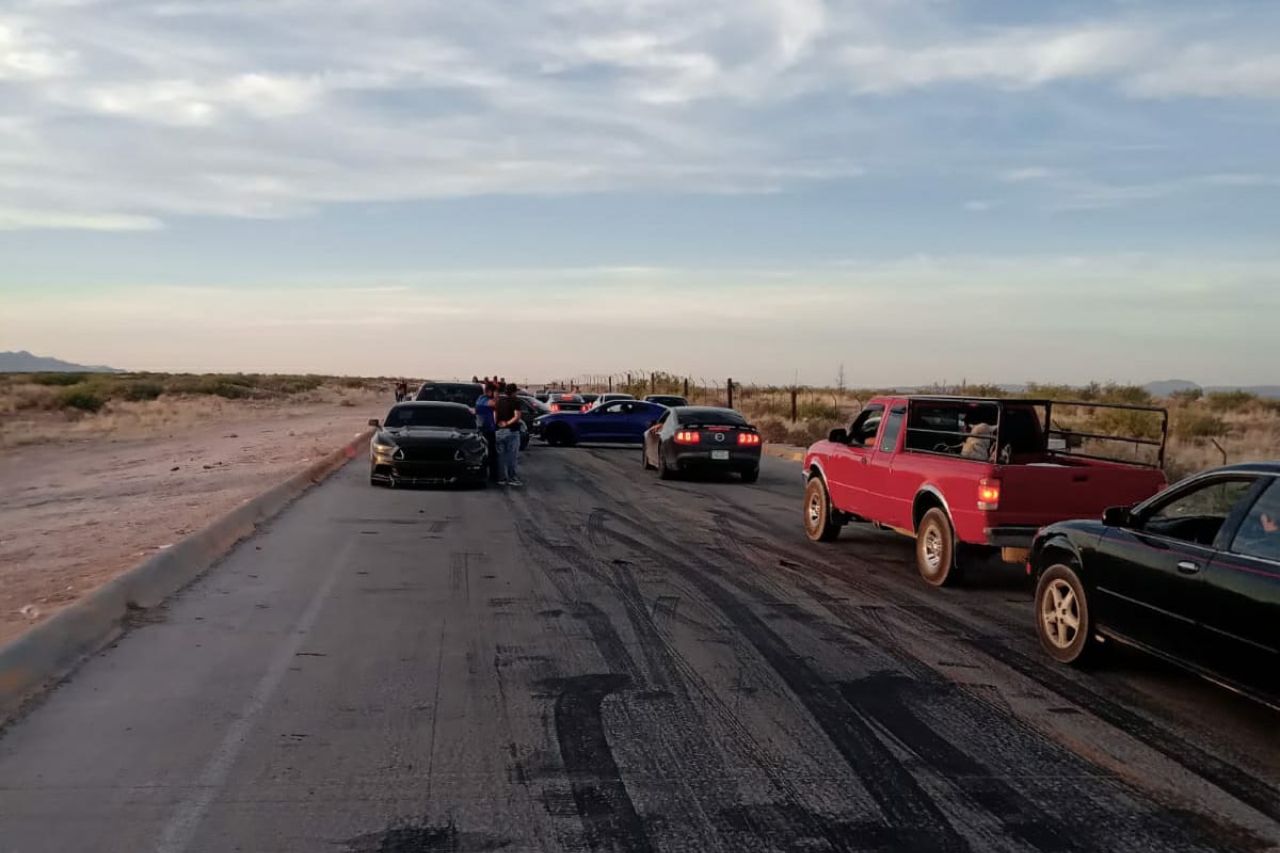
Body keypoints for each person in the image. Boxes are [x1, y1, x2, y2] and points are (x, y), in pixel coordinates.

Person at [494, 383, 524, 487]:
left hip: (498, 432)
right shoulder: (516, 401)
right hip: (511, 432)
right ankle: (512, 478)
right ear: (514, 391)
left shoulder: (499, 401)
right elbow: (517, 417)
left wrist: (498, 424)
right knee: (512, 456)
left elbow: (495, 415)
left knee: (500, 457)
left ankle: (501, 478)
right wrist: (507, 423)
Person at [475, 382, 500, 483]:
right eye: (495, 392)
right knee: (491, 454)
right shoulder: (484, 400)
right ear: (490, 391)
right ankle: (493, 476)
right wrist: (496, 396)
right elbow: (495, 404)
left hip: (484, 428)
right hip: (487, 430)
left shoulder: (480, 398)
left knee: (490, 453)